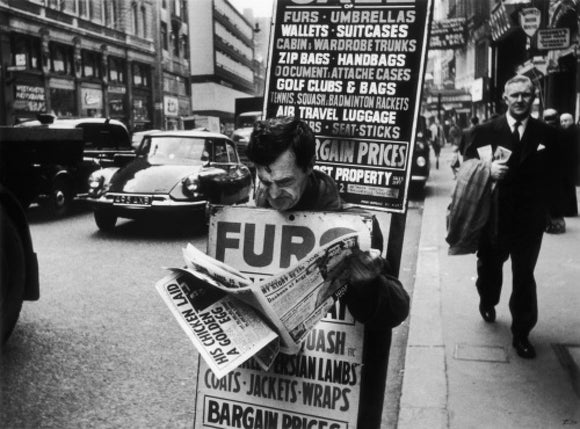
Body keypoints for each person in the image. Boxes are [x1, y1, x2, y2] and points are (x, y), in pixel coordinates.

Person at [245, 116, 410, 330]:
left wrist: (369, 285)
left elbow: (396, 312)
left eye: (285, 182)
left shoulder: (356, 228)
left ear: (310, 165)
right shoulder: (249, 217)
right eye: (266, 182)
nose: (274, 194)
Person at [463, 75, 563, 359]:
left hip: (530, 219)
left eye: (526, 95)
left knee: (524, 275)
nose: (520, 100)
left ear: (534, 99)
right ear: (505, 99)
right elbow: (463, 168)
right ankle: (488, 298)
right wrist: (487, 171)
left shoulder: (547, 134)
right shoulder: (484, 131)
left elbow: (557, 177)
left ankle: (521, 333)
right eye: (515, 95)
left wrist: (556, 213)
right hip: (493, 216)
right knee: (490, 267)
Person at [559, 112, 579, 215]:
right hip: (571, 163)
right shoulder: (573, 130)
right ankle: (570, 210)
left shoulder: (572, 132)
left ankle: (569, 211)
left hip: (570, 163)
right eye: (561, 121)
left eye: (565, 121)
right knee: (569, 187)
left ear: (571, 120)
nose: (563, 123)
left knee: (567, 187)